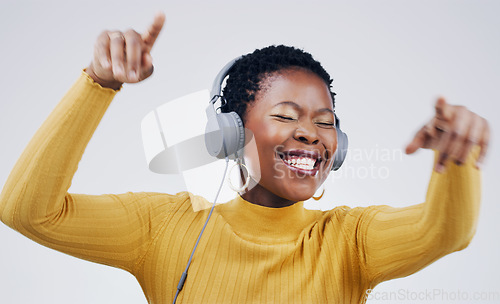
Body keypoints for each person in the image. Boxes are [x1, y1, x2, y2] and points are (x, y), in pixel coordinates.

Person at [0, 12, 490, 304]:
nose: (311, 135)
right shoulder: (162, 228)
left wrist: (459, 160)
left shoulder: (348, 240)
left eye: (325, 121)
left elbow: (446, 232)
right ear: (229, 132)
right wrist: (98, 85)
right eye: (286, 115)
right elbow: (27, 211)